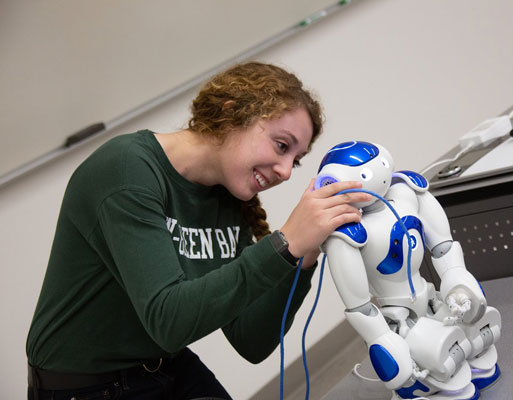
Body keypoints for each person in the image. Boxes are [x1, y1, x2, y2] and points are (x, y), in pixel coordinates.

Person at [26, 62, 370, 400]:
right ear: (231, 112)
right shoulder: (126, 170)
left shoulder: (226, 198)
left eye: (295, 160)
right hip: (84, 387)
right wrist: (285, 243)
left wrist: (304, 254)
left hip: (163, 365)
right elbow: (169, 319)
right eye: (282, 145)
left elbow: (252, 341)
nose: (285, 172)